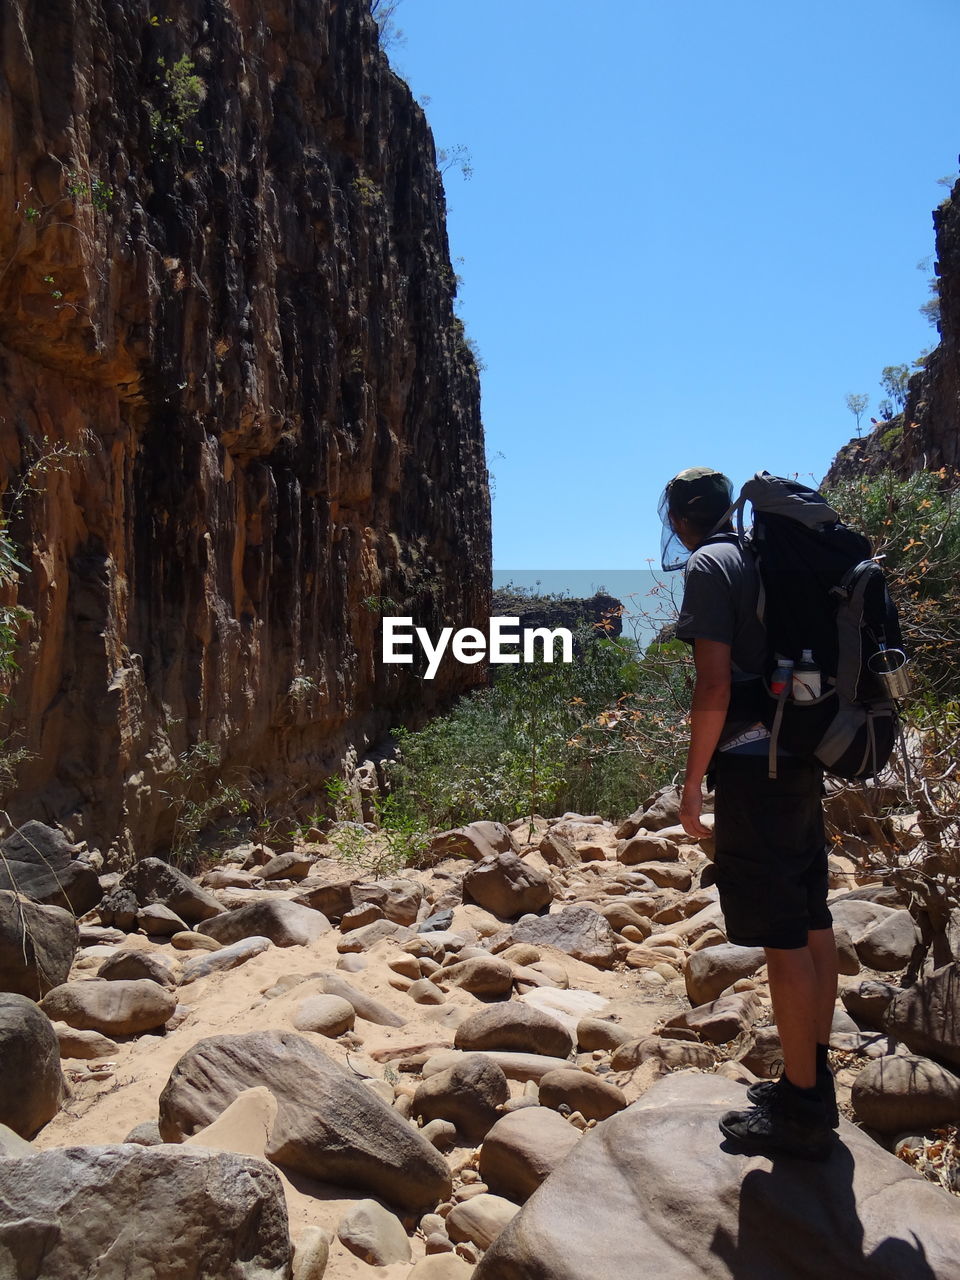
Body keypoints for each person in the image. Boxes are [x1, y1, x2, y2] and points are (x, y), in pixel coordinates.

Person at [660, 466, 839, 1160]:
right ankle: (811, 1078)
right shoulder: (768, 553)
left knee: (781, 936)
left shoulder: (712, 563)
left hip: (752, 765)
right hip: (801, 754)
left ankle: (800, 1109)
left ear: (679, 518)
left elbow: (712, 682)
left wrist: (692, 782)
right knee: (812, 915)